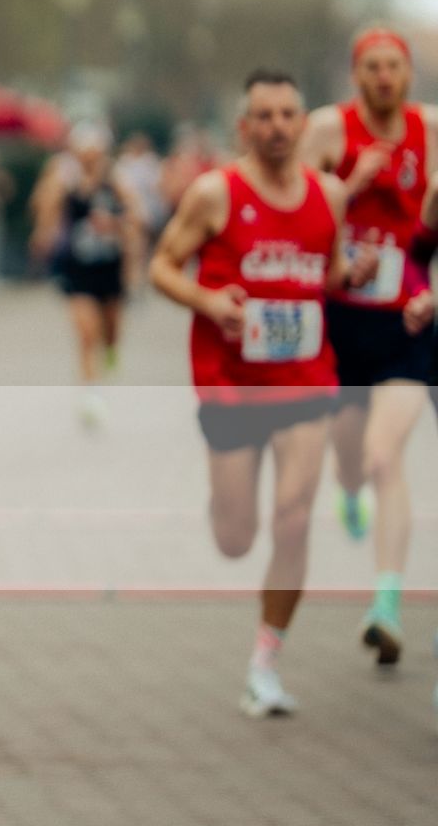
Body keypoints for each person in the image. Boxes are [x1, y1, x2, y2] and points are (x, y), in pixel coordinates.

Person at [151, 69, 374, 717]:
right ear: (244, 127)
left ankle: (265, 663)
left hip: (306, 379)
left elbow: (326, 274)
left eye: (288, 115)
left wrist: (348, 275)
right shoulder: (215, 193)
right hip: (231, 385)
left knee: (296, 517)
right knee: (237, 536)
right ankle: (226, 505)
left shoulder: (329, 196)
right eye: (264, 117)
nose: (277, 127)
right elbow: (163, 265)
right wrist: (207, 299)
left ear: (305, 124)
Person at [299, 27, 435, 666]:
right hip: (341, 320)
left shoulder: (430, 130)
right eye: (373, 67)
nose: (385, 77)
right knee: (352, 459)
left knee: (387, 456)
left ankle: (386, 603)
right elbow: (294, 215)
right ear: (356, 75)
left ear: (409, 74)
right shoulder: (328, 130)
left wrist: (428, 291)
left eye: (395, 67)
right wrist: (351, 183)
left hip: (406, 322)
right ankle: (346, 489)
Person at [30, 123, 144, 425]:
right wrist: (44, 233)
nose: (88, 157)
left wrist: (117, 226)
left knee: (111, 329)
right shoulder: (65, 175)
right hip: (78, 266)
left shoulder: (115, 177)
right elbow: (45, 207)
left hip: (109, 265)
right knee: (85, 333)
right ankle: (91, 394)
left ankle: (111, 350)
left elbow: (137, 216)